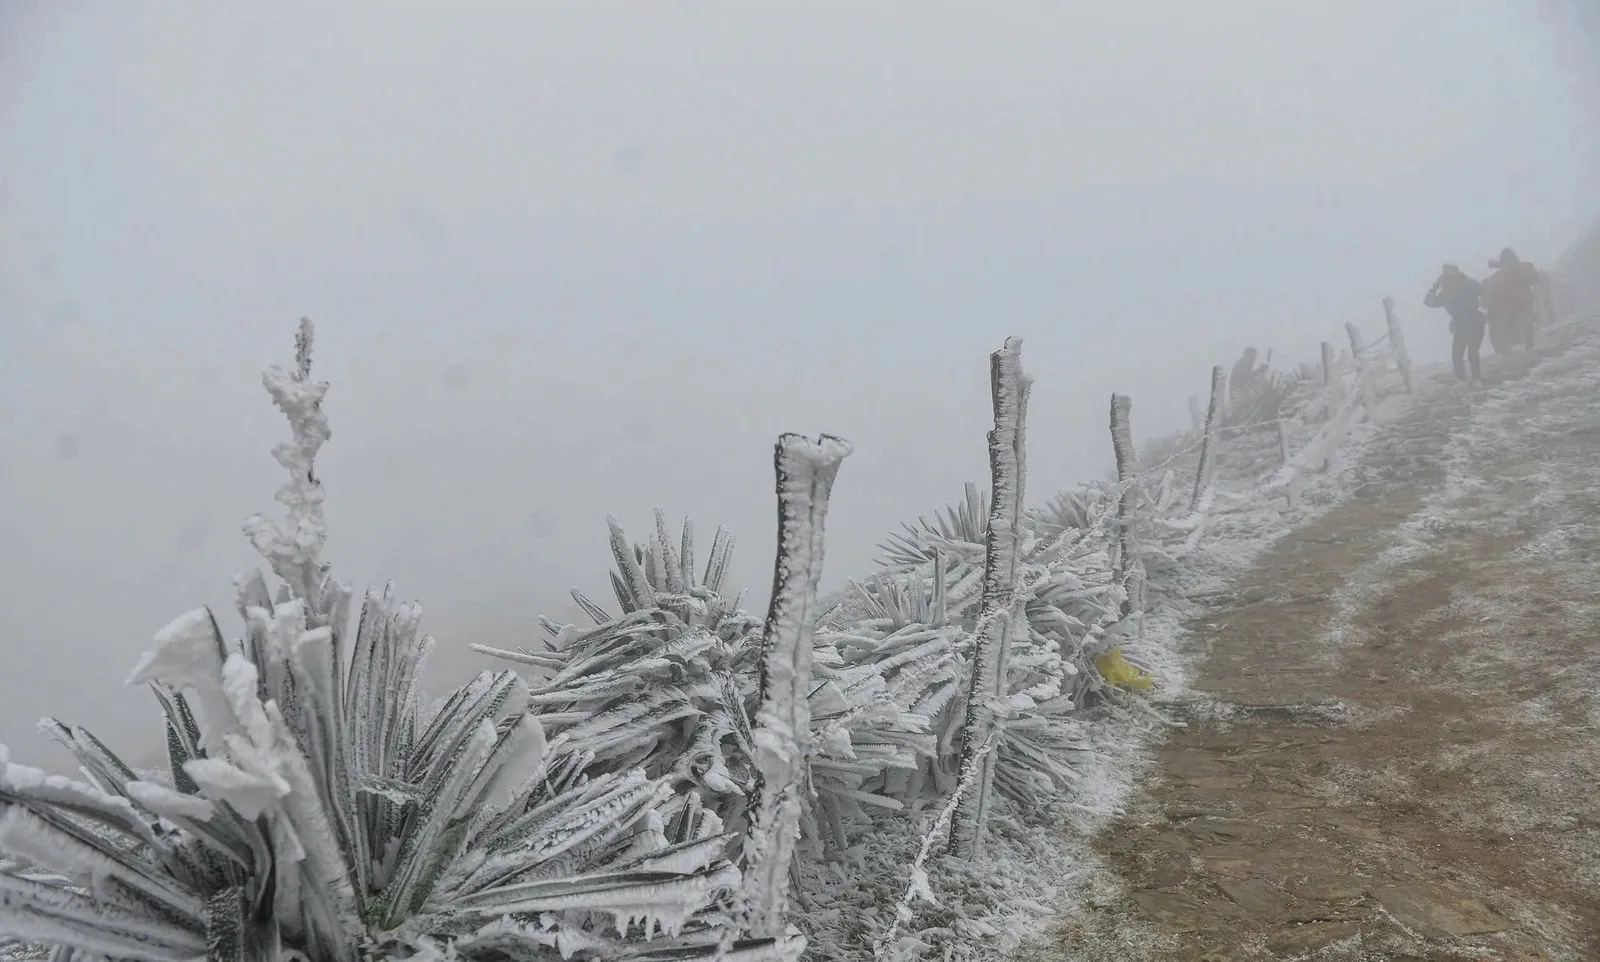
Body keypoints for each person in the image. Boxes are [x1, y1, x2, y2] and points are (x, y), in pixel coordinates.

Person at [1424, 264, 1485, 383]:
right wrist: (1435, 286)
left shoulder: (1467, 284)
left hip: (1475, 321)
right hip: (1460, 325)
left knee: (1472, 353)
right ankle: (1461, 380)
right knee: (1457, 355)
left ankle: (1476, 379)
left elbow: (1480, 290)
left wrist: (1464, 279)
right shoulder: (1445, 292)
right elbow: (1429, 302)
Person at [1482, 247, 1541, 354]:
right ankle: (1509, 351)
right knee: (1507, 331)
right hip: (1508, 309)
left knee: (1526, 326)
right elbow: (1493, 293)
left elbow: (1533, 278)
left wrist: (1507, 268)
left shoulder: (1524, 268)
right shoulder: (1499, 275)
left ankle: (1528, 348)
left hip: (1523, 305)